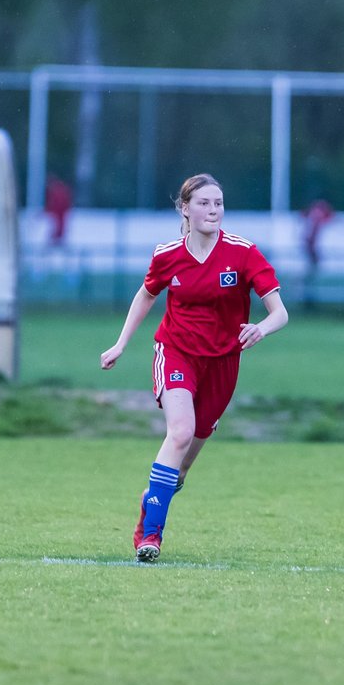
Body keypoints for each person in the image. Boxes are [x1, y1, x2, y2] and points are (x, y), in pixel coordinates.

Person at [100, 173, 288, 562]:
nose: (213, 210)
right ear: (185, 208)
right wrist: (121, 343)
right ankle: (150, 536)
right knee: (180, 431)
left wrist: (261, 328)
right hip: (176, 351)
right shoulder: (167, 253)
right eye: (204, 203)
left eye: (218, 203)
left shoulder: (243, 253)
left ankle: (151, 502)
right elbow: (145, 295)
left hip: (222, 362)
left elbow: (280, 313)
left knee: (182, 467)